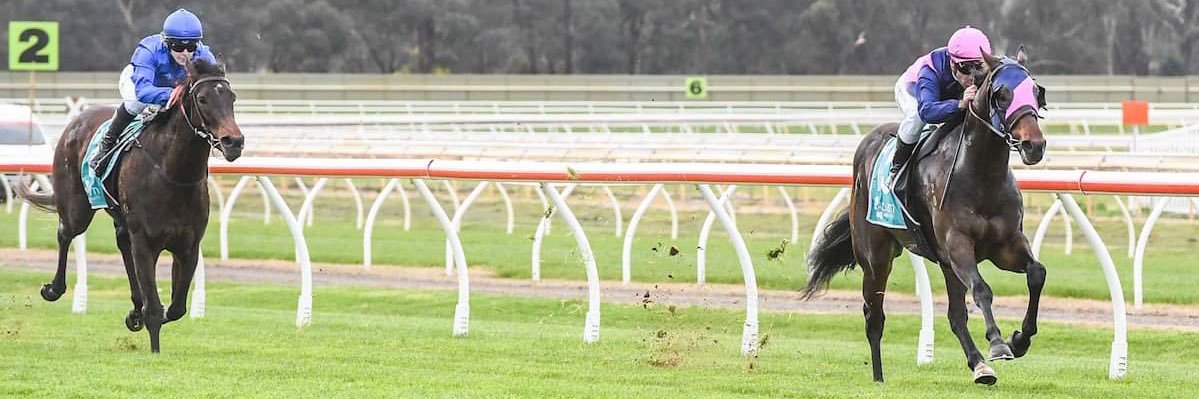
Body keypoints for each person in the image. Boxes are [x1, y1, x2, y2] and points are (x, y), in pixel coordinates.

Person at [91, 8, 217, 174]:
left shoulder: (204, 54)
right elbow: (143, 91)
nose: (185, 53)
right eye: (178, 47)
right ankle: (107, 143)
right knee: (136, 104)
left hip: (175, 87)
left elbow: (212, 87)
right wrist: (171, 94)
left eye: (191, 46)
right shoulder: (148, 50)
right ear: (166, 42)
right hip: (139, 83)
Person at [889, 26, 993, 179]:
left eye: (978, 69)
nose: (972, 78)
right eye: (967, 70)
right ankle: (897, 168)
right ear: (953, 64)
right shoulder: (929, 70)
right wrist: (960, 104)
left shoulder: (982, 65)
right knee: (916, 118)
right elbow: (927, 112)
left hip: (948, 96)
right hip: (913, 90)